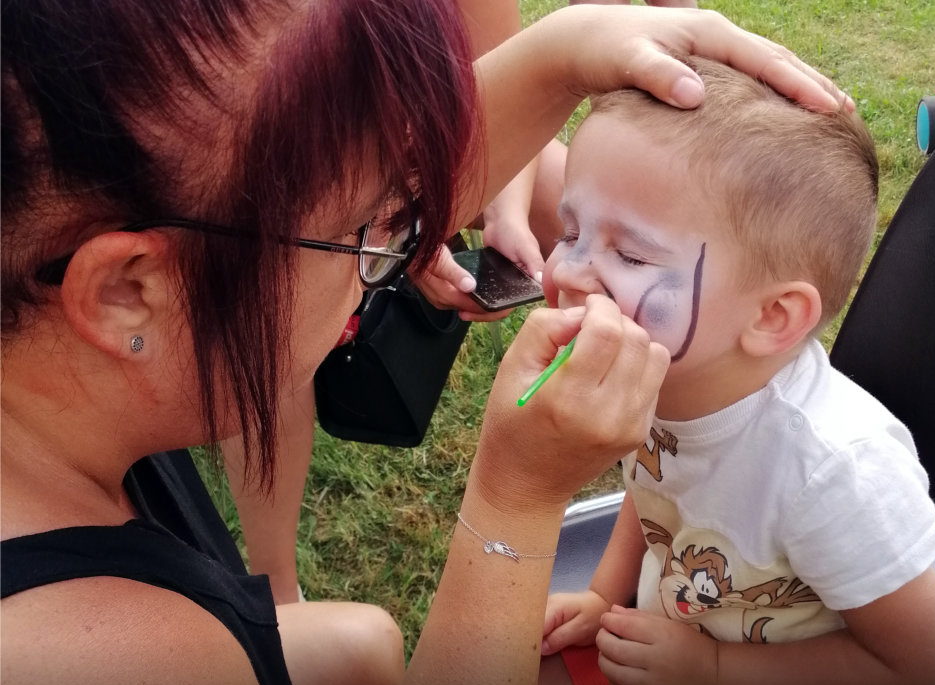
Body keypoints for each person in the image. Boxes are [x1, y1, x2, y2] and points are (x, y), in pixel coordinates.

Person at [0, 1, 849, 685]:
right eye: (365, 230)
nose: (394, 255)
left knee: (366, 650)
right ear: (124, 292)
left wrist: (560, 56)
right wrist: (513, 504)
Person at [531, 57, 935, 685]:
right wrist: (604, 598)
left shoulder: (832, 470)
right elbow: (656, 486)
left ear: (771, 317)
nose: (568, 272)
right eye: (570, 231)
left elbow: (919, 663)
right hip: (663, 648)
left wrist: (715, 675)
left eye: (629, 253)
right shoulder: (660, 375)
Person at [225, 0, 699, 608]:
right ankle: (275, 583)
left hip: (433, 137)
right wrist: (401, 236)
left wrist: (503, 208)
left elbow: (497, 90)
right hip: (293, 160)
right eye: (575, 246)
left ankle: (687, 432)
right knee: (279, 306)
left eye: (628, 259)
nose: (568, 275)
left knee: (598, 198)